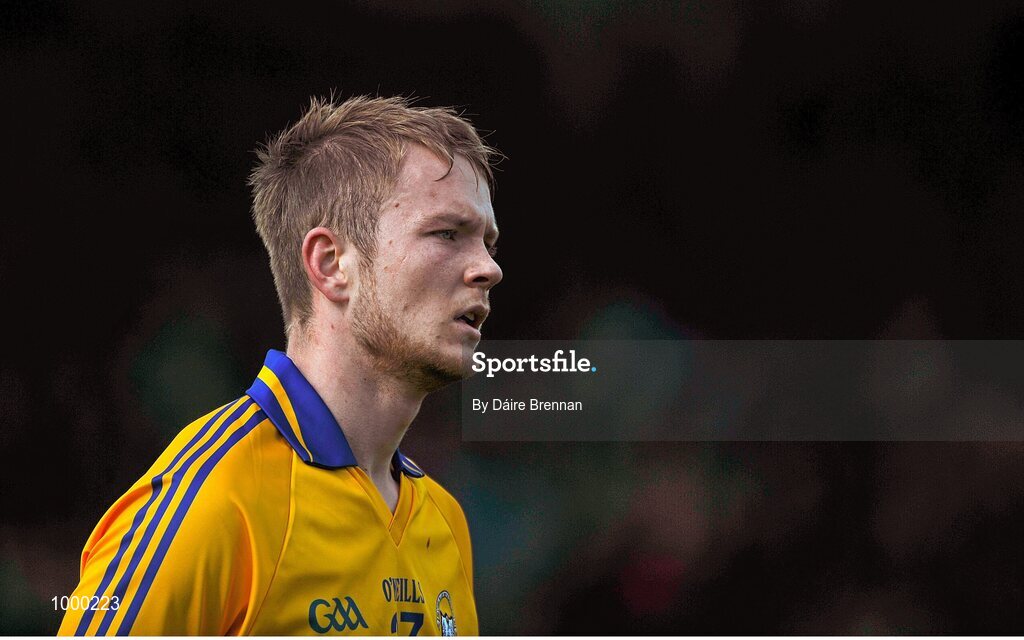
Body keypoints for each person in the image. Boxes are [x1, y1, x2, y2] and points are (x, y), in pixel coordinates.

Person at [58, 95, 502, 635]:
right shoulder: (217, 496)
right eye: (447, 234)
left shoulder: (446, 523)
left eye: (487, 242)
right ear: (331, 263)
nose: (488, 268)